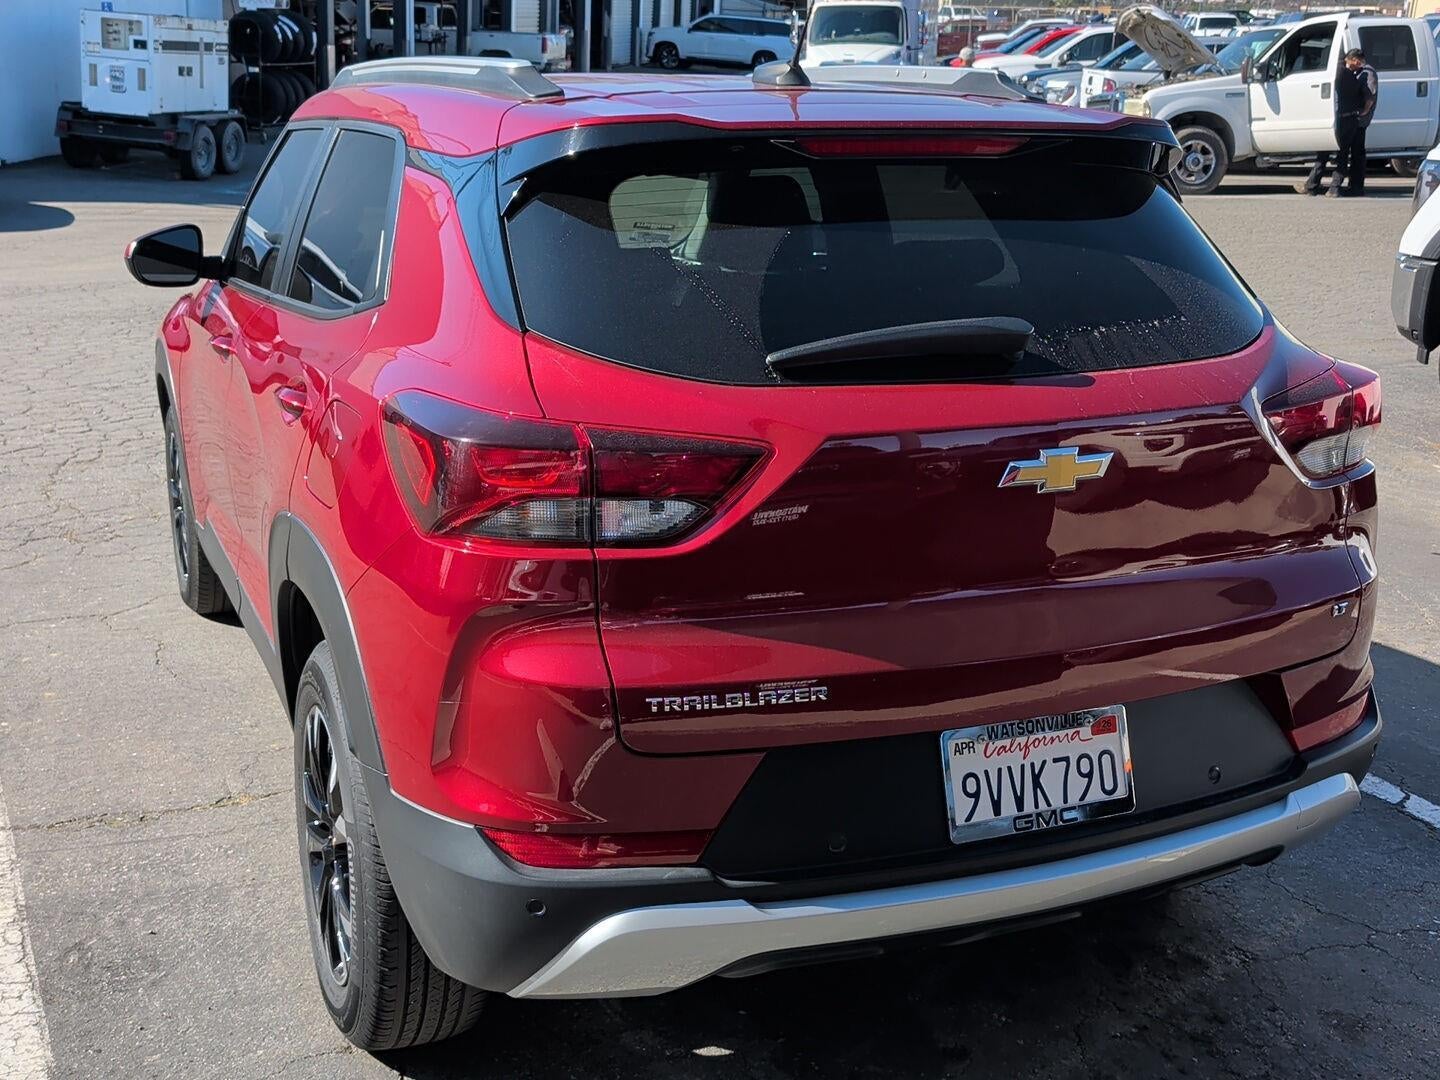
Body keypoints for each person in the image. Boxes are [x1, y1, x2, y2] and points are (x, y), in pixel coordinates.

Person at [1297, 48, 1378, 197]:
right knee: (1342, 154)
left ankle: (1314, 186)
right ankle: (1332, 187)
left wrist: (1364, 112)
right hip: (1348, 119)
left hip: (1340, 119)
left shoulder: (1339, 73)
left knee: (1325, 153)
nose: (1357, 65)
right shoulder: (1351, 74)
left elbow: (1369, 97)